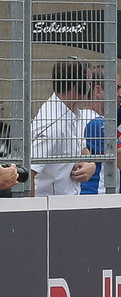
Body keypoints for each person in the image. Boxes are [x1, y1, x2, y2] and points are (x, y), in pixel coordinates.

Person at [30, 57, 98, 196]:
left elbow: (82, 148)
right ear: (78, 86)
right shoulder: (51, 124)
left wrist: (90, 164)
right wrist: (32, 213)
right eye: (88, 83)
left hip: (67, 205)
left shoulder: (73, 113)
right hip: (48, 208)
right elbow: (28, 174)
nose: (90, 87)